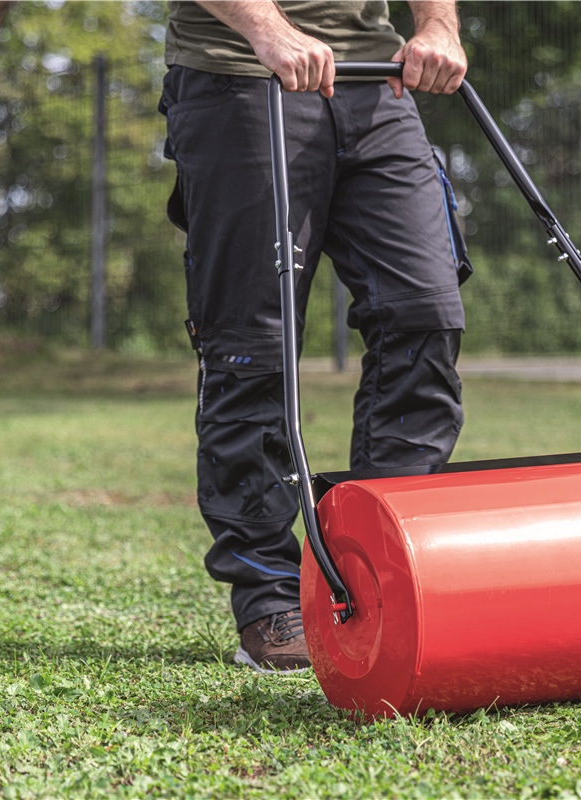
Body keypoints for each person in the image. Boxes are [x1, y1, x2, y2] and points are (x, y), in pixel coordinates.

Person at [160, 1, 471, 672]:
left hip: (376, 83)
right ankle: (271, 601)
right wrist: (267, 29)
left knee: (425, 314)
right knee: (253, 349)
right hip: (241, 74)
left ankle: (383, 575)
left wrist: (438, 27)